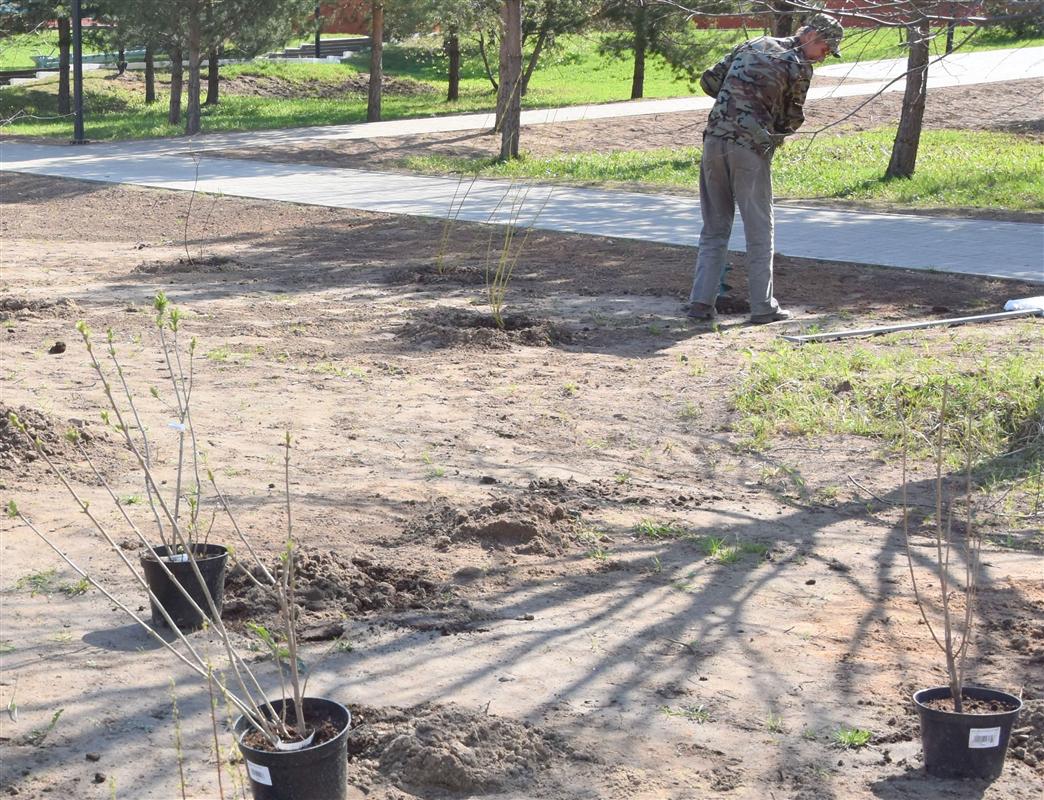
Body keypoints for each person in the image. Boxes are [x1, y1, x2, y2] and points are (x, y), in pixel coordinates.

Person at [686, 14, 844, 324]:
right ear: (811, 36)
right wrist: (765, 128)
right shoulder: (798, 65)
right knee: (759, 230)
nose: (824, 55)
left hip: (714, 141)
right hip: (750, 149)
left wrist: (737, 102)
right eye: (825, 48)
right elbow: (791, 120)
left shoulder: (753, 42)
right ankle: (762, 306)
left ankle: (700, 304)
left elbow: (709, 81)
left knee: (715, 228)